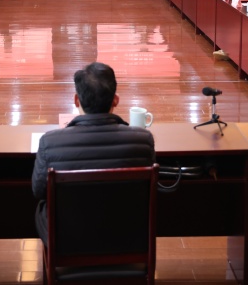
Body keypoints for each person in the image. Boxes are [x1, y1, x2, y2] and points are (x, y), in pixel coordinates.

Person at [31, 62, 155, 244]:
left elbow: (38, 190)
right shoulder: (143, 141)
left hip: (68, 242)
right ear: (116, 100)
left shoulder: (49, 143)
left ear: (76, 100)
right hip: (127, 239)